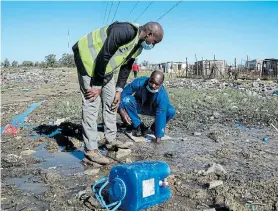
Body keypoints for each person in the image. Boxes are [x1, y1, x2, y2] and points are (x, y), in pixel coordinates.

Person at [72, 21, 164, 165]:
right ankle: (90, 150)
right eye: (155, 41)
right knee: (92, 103)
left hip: (104, 68)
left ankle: (110, 140)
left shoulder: (138, 46)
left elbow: (126, 67)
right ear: (149, 34)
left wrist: (119, 90)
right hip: (88, 59)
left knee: (111, 101)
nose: (154, 45)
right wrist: (96, 85)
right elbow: (105, 53)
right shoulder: (125, 31)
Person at [118, 71, 175, 143]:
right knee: (127, 100)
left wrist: (158, 137)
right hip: (139, 106)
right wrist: (121, 109)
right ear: (149, 78)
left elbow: (161, 114)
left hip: (153, 110)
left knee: (171, 110)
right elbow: (123, 94)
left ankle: (155, 128)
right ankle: (138, 125)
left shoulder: (162, 96)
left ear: (161, 84)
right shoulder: (139, 82)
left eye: (156, 84)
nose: (153, 86)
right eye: (151, 82)